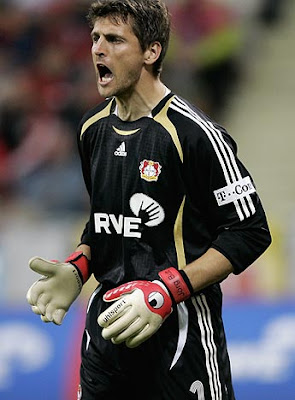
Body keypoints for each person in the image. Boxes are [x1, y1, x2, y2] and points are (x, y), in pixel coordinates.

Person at [26, 1, 272, 399]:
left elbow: (249, 231)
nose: (97, 50)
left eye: (114, 40)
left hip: (180, 340)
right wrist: (78, 266)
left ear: (151, 52)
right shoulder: (91, 129)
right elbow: (106, 222)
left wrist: (164, 292)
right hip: (107, 337)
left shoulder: (195, 134)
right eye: (95, 38)